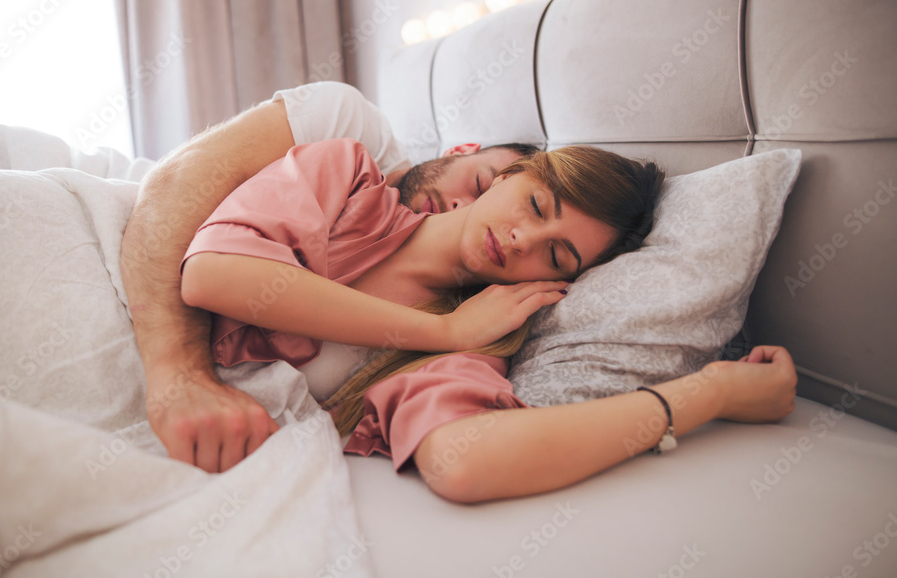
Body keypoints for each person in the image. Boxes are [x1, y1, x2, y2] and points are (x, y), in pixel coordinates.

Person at [179, 137, 797, 503]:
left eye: (556, 255)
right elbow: (214, 274)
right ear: (507, 172)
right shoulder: (346, 177)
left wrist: (709, 393)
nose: (524, 238)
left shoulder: (475, 340)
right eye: (535, 204)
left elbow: (464, 461)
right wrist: (440, 331)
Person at [120, 81, 536, 472]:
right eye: (480, 183)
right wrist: (180, 373)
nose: (461, 206)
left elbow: (458, 447)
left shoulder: (458, 308)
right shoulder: (351, 137)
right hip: (127, 240)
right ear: (462, 149)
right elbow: (175, 186)